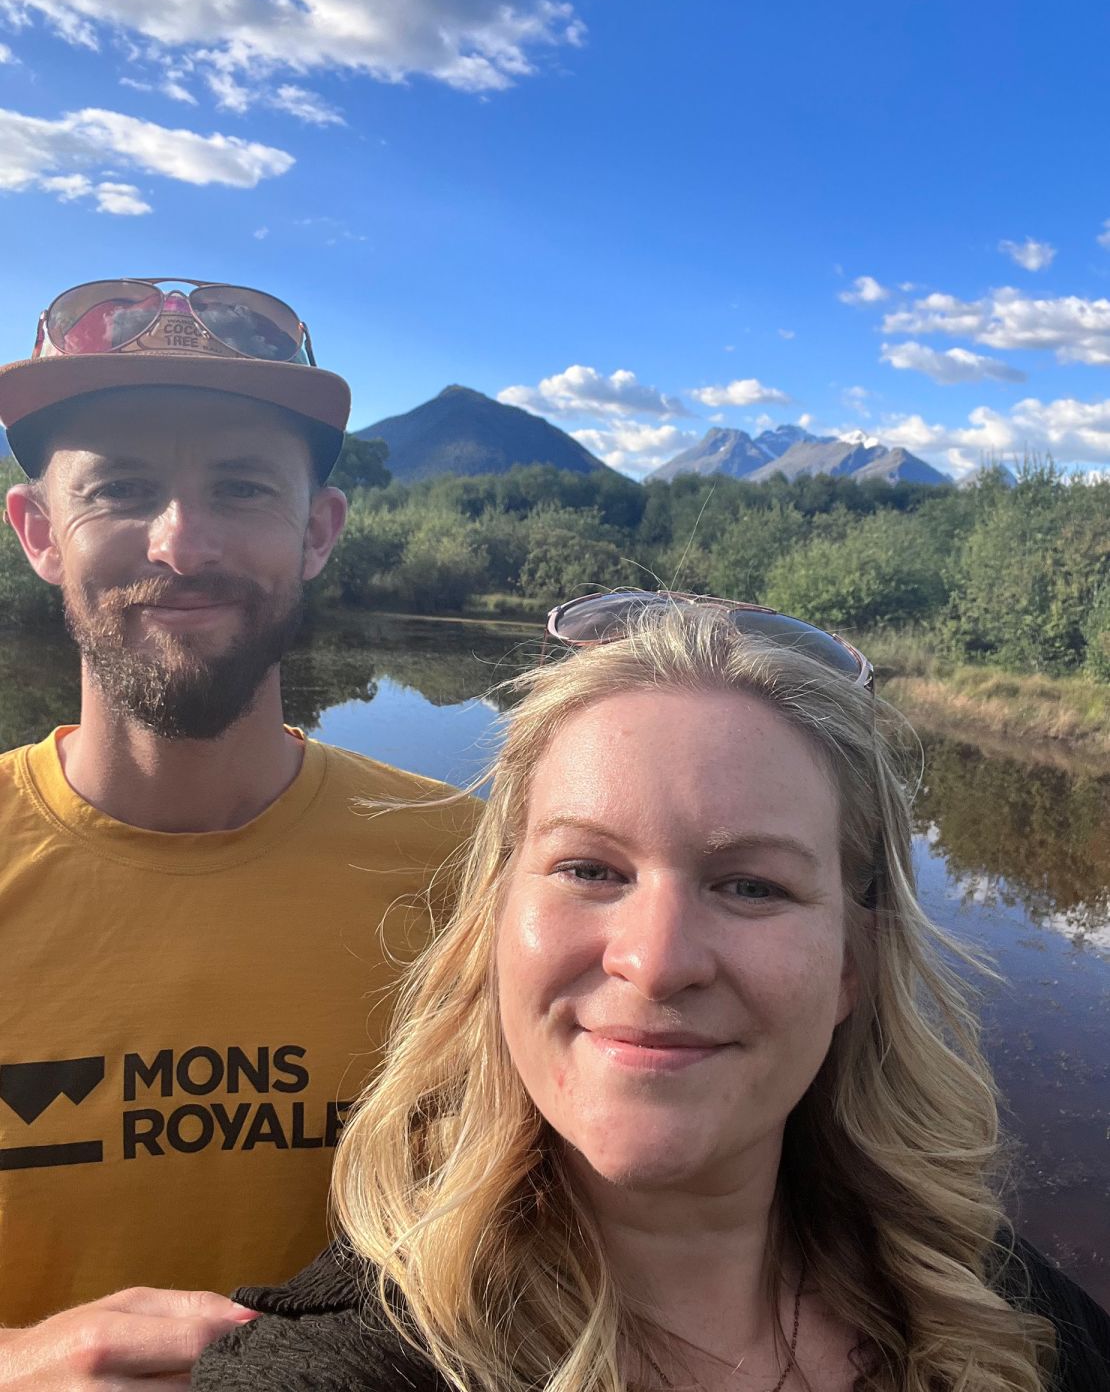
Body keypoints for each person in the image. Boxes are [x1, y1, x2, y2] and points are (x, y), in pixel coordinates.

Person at [194, 594, 1109, 1392]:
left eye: (752, 886)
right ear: (493, 924)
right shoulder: (347, 1365)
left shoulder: (998, 1311)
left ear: (851, 961)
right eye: (591, 868)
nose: (658, 960)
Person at [0, 279, 476, 1385]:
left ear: (317, 531)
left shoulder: (474, 870)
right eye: (121, 487)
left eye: (242, 487)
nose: (183, 542)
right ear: (37, 532)